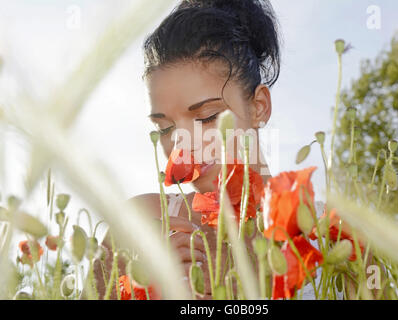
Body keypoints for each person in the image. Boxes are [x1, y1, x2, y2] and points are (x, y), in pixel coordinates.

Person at [92, 0, 281, 300]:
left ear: (259, 107)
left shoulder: (334, 233)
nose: (182, 146)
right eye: (164, 128)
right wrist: (140, 285)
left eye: (206, 117)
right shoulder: (137, 225)